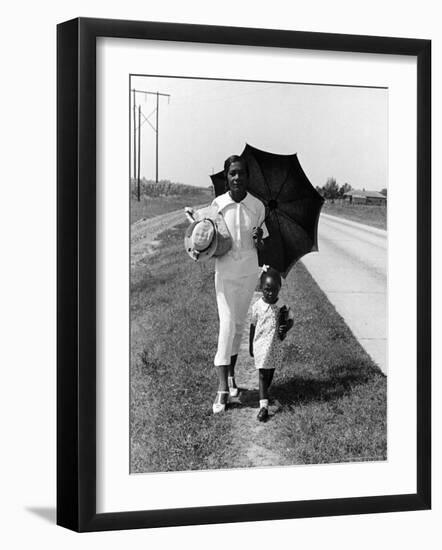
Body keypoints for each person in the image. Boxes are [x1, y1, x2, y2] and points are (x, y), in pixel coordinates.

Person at [211, 155, 269, 414]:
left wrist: (259, 239)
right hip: (225, 272)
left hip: (248, 272)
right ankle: (222, 389)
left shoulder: (257, 207)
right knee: (226, 324)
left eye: (241, 173)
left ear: (248, 177)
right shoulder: (218, 204)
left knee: (237, 325)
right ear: (227, 177)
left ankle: (232, 377)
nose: (237, 178)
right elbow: (211, 239)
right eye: (232, 173)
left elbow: (263, 243)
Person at [249, 266, 294, 422]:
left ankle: (265, 393)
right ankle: (264, 407)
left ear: (279, 289)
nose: (270, 293)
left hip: (275, 346)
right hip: (261, 345)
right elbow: (253, 326)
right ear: (261, 288)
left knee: (270, 372)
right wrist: (250, 345)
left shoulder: (282, 306)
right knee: (262, 373)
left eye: (274, 290)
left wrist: (286, 327)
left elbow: (291, 320)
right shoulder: (257, 306)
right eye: (267, 289)